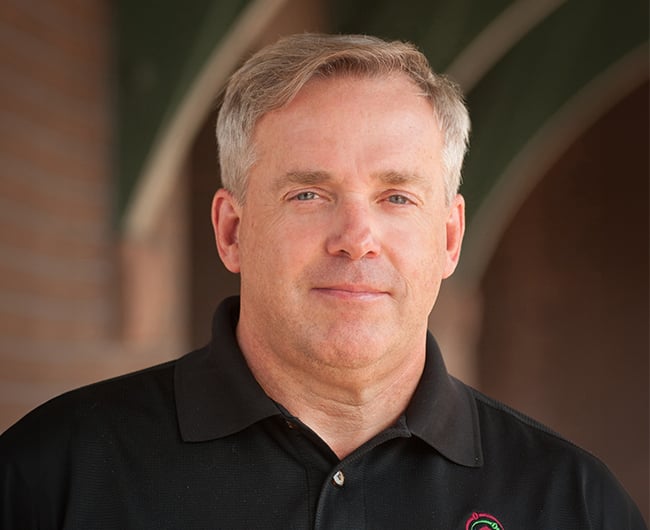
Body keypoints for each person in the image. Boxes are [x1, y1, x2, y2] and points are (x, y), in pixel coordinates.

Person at [0, 33, 645, 530]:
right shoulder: (54, 475)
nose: (356, 237)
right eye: (309, 193)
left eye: (396, 197)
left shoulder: (572, 502)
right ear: (231, 231)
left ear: (449, 238)